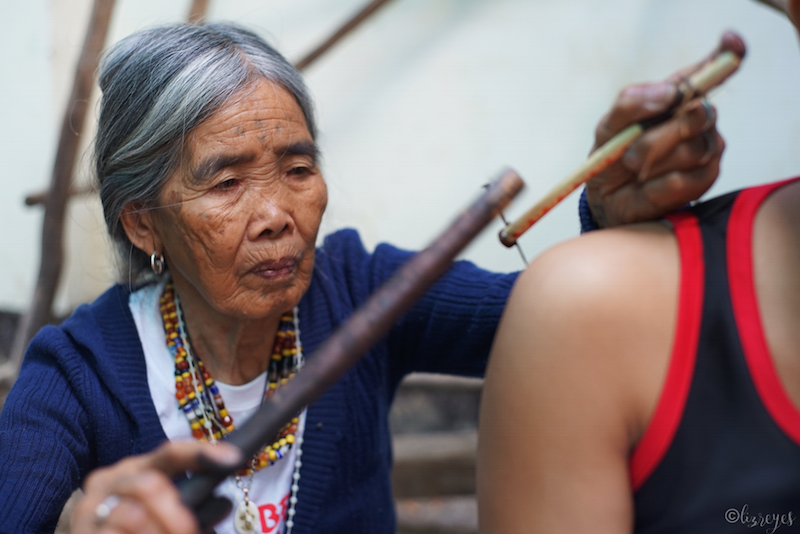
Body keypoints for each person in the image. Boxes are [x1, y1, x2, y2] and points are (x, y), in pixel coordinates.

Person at [0, 21, 724, 534]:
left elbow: (565, 327)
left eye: (298, 168)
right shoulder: (77, 373)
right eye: (226, 185)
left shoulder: (362, 291)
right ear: (142, 225)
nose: (279, 213)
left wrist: (610, 211)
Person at [477, 6, 800, 533]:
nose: (286, 216)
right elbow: (537, 326)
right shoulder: (581, 305)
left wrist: (607, 232)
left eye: (301, 169)